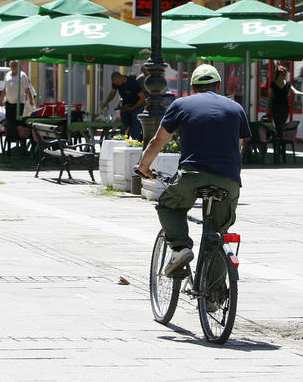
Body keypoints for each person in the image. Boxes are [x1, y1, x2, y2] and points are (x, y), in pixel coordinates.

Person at [136, 64, 251, 276]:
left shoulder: (181, 104)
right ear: (218, 85)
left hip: (192, 174)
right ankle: (214, 296)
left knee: (169, 207)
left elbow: (157, 141)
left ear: (193, 86)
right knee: (218, 232)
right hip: (228, 179)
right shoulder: (236, 108)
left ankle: (180, 248)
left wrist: (144, 167)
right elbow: (238, 147)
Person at [101, 71, 146, 140]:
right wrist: (106, 102)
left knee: (135, 120)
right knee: (124, 120)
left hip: (137, 105)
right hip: (126, 105)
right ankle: (125, 135)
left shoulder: (132, 83)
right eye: (115, 84)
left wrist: (133, 107)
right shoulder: (116, 83)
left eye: (117, 82)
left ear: (121, 78)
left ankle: (136, 138)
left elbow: (142, 98)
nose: (117, 85)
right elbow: (112, 93)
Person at [1, 61, 35, 147]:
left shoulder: (22, 75)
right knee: (9, 121)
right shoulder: (8, 75)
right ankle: (10, 138)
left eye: (14, 66)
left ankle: (17, 138)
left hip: (19, 102)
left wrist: (31, 100)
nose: (13, 67)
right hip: (9, 101)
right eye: (11, 66)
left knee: (17, 121)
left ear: (18, 66)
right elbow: (5, 88)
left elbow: (27, 89)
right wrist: (1, 98)